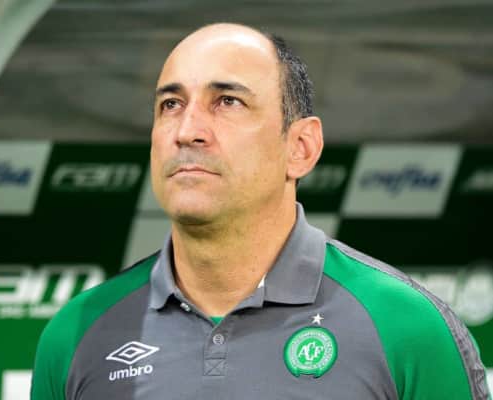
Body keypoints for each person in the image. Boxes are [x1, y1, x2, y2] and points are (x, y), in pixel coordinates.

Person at [31, 23, 490, 400]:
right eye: (171, 104)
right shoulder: (75, 334)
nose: (187, 131)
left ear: (301, 147)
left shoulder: (408, 329)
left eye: (227, 102)